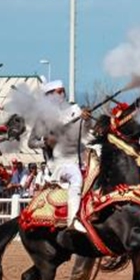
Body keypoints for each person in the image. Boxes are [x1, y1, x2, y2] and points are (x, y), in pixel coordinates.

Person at [28, 80, 92, 231]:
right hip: (59, 162)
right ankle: (72, 220)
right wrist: (45, 142)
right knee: (76, 178)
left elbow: (86, 132)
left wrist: (87, 120)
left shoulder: (74, 109)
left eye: (63, 90)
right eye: (58, 91)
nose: (62, 94)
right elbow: (31, 142)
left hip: (80, 158)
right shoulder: (43, 118)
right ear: (49, 96)